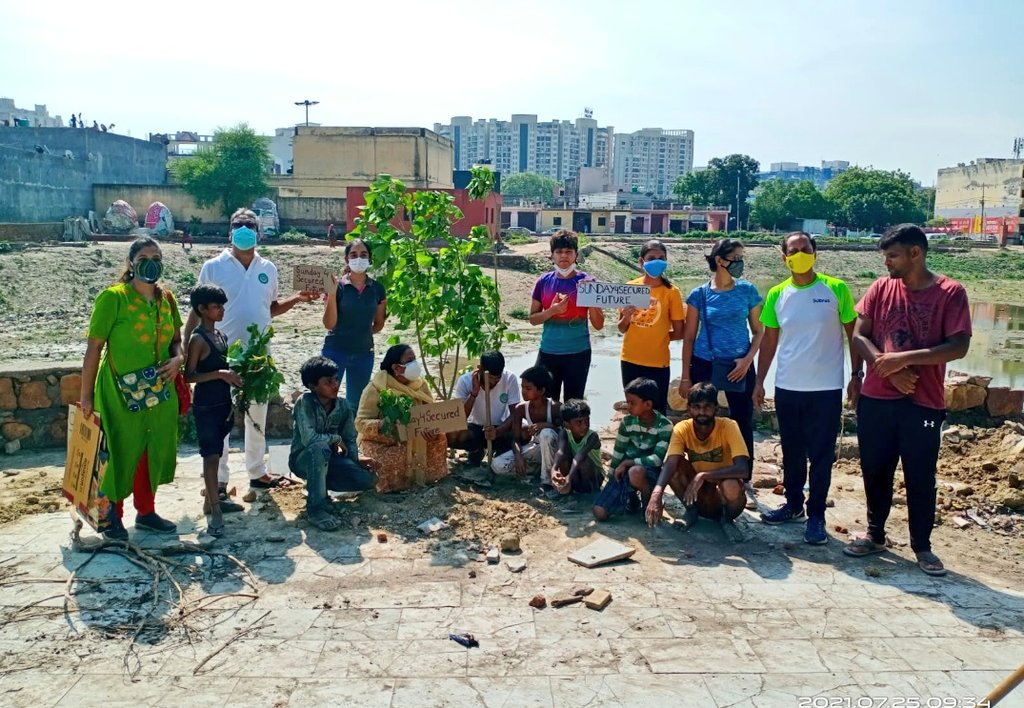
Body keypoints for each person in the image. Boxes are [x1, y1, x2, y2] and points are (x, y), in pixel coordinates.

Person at [846, 224, 971, 576]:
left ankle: (922, 547)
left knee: (919, 475)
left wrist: (903, 359)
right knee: (875, 469)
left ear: (915, 253)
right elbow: (859, 336)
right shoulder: (881, 288)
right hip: (876, 398)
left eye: (893, 255)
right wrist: (886, 368)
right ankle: (875, 534)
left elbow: (959, 346)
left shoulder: (950, 292)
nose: (887, 262)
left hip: (923, 402)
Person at [185, 208, 315, 498]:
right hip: (219, 354)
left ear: (259, 233)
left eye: (250, 225)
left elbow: (270, 308)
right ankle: (219, 480)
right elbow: (197, 310)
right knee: (220, 417)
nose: (244, 229)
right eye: (238, 224)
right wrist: (185, 345)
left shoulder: (268, 269)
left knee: (257, 413)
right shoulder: (213, 267)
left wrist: (297, 298)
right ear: (230, 231)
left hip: (258, 356)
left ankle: (257, 472)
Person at [753, 232, 861, 544]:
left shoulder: (835, 289)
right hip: (788, 386)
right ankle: (793, 505)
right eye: (793, 250)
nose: (800, 254)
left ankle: (816, 516)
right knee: (792, 451)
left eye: (805, 249)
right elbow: (769, 341)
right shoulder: (777, 294)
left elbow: (854, 334)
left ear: (815, 252)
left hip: (826, 388)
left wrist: (857, 374)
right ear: (784, 257)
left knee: (821, 455)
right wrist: (759, 381)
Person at [79, 237, 184, 539]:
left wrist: (178, 359)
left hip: (158, 389)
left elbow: (176, 341)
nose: (151, 264)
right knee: (119, 449)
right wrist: (86, 397)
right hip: (118, 391)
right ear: (131, 263)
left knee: (151, 447)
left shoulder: (167, 299)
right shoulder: (113, 298)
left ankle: (146, 512)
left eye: (156, 258)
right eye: (144, 259)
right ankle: (112, 516)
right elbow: (94, 348)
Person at [679, 238, 763, 492]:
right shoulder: (699, 294)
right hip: (705, 362)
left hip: (739, 364)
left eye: (741, 258)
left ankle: (744, 475)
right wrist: (685, 376)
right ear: (719, 260)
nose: (740, 263)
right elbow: (689, 337)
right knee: (702, 415)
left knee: (742, 418)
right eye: (736, 258)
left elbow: (759, 331)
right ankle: (701, 467)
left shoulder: (747, 290)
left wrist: (747, 360)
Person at [645, 382, 750, 539]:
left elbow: (743, 469)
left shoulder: (728, 426)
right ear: (689, 409)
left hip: (722, 498)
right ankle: (691, 511)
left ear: (716, 408)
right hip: (697, 495)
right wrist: (657, 493)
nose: (702, 412)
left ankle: (727, 520)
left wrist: (703, 475)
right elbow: (671, 463)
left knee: (731, 484)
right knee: (675, 467)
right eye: (696, 407)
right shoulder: (682, 428)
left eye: (707, 407)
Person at [184, 284, 245, 536]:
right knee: (210, 457)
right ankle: (216, 512)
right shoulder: (198, 339)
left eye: (222, 306)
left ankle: (210, 503)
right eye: (216, 307)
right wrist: (220, 374)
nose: (221, 310)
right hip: (206, 406)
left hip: (222, 403)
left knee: (217, 454)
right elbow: (189, 375)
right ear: (202, 309)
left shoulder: (221, 336)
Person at [290, 356, 376, 530]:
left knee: (368, 479)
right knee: (319, 447)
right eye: (328, 382)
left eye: (336, 379)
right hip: (303, 460)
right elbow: (309, 439)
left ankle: (318, 487)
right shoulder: (305, 403)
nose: (335, 385)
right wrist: (335, 439)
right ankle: (316, 509)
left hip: (330, 460)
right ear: (313, 386)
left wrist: (355, 461)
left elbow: (350, 439)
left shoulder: (343, 406)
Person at [355, 344, 448, 491]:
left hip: (415, 437)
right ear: (396, 368)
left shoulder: (421, 384)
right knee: (394, 456)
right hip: (383, 441)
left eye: (415, 359)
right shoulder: (375, 388)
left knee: (440, 437)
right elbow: (360, 423)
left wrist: (431, 430)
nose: (415, 364)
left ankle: (426, 478)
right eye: (410, 361)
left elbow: (429, 414)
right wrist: (385, 424)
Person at [528, 230, 605, 400]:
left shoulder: (588, 282)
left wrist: (591, 298)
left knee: (574, 403)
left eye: (569, 251)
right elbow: (533, 319)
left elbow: (599, 325)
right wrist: (552, 311)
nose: (564, 256)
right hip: (548, 352)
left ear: (576, 255)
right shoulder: (543, 282)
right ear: (552, 256)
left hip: (578, 353)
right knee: (547, 403)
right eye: (559, 252)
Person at [618, 239, 685, 413]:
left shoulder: (672, 292)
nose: (657, 261)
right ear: (641, 261)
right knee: (634, 410)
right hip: (630, 359)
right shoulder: (630, 288)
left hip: (658, 362)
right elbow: (622, 328)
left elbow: (679, 332)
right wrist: (626, 316)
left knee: (657, 411)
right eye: (651, 258)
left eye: (661, 258)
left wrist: (659, 337)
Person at [593, 378, 674, 521]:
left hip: (649, 472)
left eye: (632, 403)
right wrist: (611, 477)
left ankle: (647, 501)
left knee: (636, 472)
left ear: (648, 404)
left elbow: (657, 459)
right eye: (627, 402)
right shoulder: (627, 422)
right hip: (624, 471)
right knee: (599, 512)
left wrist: (628, 463)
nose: (627, 406)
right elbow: (618, 452)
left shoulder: (665, 425)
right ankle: (632, 499)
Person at [321, 238, 387, 411]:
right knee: (325, 401)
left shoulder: (377, 289)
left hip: (363, 355)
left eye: (363, 255)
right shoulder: (337, 287)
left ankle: (351, 430)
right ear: (347, 259)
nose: (359, 258)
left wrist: (361, 332)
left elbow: (379, 323)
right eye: (354, 255)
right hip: (335, 352)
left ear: (370, 258)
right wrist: (332, 294)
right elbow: (329, 324)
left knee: (356, 404)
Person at [451, 350, 521, 466]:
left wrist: (497, 431)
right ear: (480, 369)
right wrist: (473, 394)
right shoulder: (465, 381)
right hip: (475, 427)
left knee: (524, 431)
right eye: (491, 378)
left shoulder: (510, 378)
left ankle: (500, 451)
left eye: (498, 378)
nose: (494, 382)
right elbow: (460, 419)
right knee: (451, 435)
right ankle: (476, 450)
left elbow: (516, 413)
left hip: (500, 428)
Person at [491, 365, 561, 483]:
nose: (523, 391)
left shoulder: (555, 407)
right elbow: (516, 439)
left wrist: (547, 425)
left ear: (541, 390)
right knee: (497, 465)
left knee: (546, 433)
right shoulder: (521, 409)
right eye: (522, 387)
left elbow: (566, 434)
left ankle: (546, 481)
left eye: (528, 388)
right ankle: (536, 470)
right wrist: (518, 456)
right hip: (536, 448)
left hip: (554, 451)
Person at [551, 398, 603, 497]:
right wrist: (554, 470)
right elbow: (560, 452)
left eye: (587, 420)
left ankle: (593, 493)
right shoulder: (564, 433)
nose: (584, 425)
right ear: (567, 424)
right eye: (579, 422)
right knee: (563, 456)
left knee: (583, 461)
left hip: (594, 477)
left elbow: (579, 457)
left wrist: (569, 478)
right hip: (575, 473)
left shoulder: (592, 436)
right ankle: (567, 489)